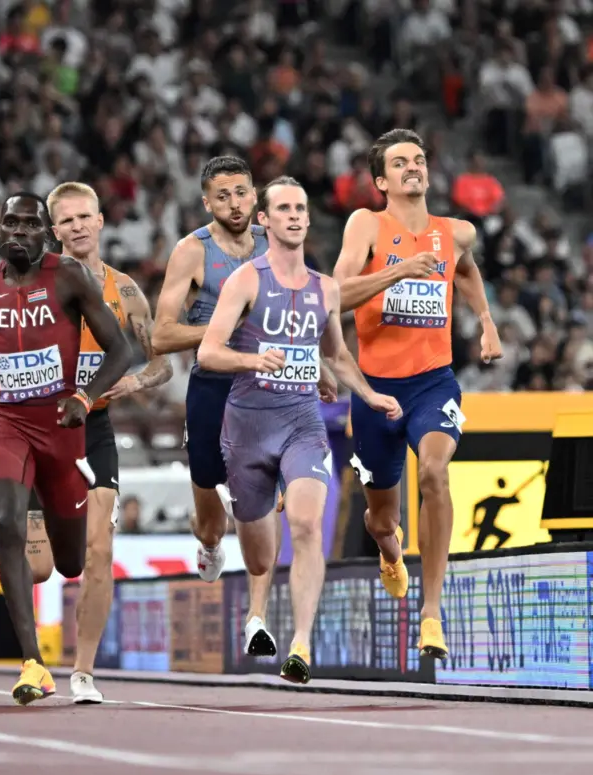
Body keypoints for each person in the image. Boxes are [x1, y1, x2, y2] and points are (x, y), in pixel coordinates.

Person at [0, 192, 132, 705]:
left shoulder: (69, 277)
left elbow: (121, 350)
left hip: (62, 429)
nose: (18, 232)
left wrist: (85, 397)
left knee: (71, 562)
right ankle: (33, 663)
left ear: (46, 234)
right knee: (9, 522)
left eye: (30, 225)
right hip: (7, 423)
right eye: (10, 223)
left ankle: (53, 619)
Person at [197, 177, 402, 683]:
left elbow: (336, 355)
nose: (293, 216)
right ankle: (256, 610)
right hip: (248, 427)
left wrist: (369, 394)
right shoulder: (246, 280)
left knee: (308, 524)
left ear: (309, 219)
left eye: (300, 208)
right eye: (283, 208)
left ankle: (301, 645)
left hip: (302, 422)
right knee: (260, 555)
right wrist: (253, 359)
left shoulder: (326, 288)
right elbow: (208, 352)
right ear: (263, 220)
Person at [152, 156, 336, 657]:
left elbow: (304, 313)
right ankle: (210, 543)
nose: (234, 204)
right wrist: (228, 329)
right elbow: (161, 335)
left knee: (272, 496)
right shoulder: (193, 251)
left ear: (256, 198)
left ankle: (258, 615)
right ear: (206, 202)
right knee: (213, 519)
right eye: (222, 196)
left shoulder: (275, 239)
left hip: (272, 392)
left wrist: (316, 363)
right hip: (214, 385)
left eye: (241, 193)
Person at [333, 128, 502, 659]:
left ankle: (432, 612)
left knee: (434, 471)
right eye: (400, 162)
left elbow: (466, 270)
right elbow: (335, 294)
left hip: (433, 382)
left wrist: (486, 321)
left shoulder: (456, 232)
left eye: (419, 159)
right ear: (381, 180)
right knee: (382, 519)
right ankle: (390, 551)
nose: (413, 167)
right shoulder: (366, 224)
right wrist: (399, 272)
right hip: (375, 391)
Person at [21, 181, 172, 704]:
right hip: (41, 429)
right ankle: (30, 659)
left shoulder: (125, 290)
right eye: (67, 220)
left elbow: (161, 363)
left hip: (95, 429)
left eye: (85, 216)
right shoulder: (36, 283)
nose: (78, 226)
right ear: (53, 230)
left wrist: (136, 381)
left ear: (101, 220)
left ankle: (83, 672)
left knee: (100, 549)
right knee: (39, 566)